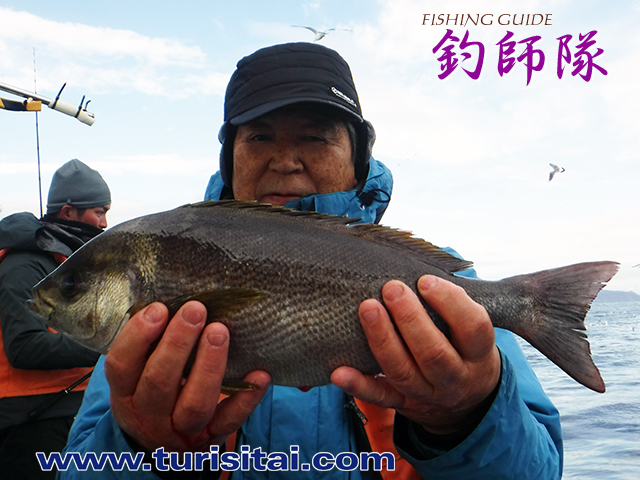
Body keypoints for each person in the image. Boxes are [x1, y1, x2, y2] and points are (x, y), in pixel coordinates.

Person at [63, 43, 562, 479]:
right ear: (230, 157)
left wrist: (468, 413)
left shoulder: (448, 287)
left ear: (358, 157)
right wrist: (144, 448)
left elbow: (539, 472)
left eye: (315, 136)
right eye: (259, 137)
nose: (285, 161)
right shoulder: (155, 282)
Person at [0, 159, 110, 478]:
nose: (105, 223)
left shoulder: (65, 262)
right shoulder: (24, 263)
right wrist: (110, 346)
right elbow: (24, 346)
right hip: (30, 420)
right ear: (68, 212)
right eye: (99, 212)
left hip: (74, 408)